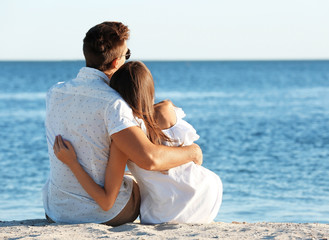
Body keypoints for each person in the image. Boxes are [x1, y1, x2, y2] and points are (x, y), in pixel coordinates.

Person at [43, 22, 202, 226]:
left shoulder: (54, 93)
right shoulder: (114, 104)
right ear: (116, 62)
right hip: (105, 214)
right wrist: (193, 151)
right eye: (127, 56)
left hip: (56, 210)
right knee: (139, 178)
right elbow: (151, 159)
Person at [54, 61, 223, 224]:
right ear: (150, 90)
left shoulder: (123, 138)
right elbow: (194, 159)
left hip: (165, 213)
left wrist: (72, 163)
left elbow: (106, 201)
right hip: (206, 195)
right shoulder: (167, 110)